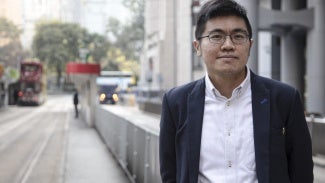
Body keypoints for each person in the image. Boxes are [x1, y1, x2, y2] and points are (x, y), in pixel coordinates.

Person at [159, 0, 314, 182]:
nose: (228, 45)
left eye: (238, 36)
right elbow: (169, 172)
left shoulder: (285, 99)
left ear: (250, 45)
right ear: (197, 47)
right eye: (216, 36)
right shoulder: (176, 102)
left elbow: (302, 172)